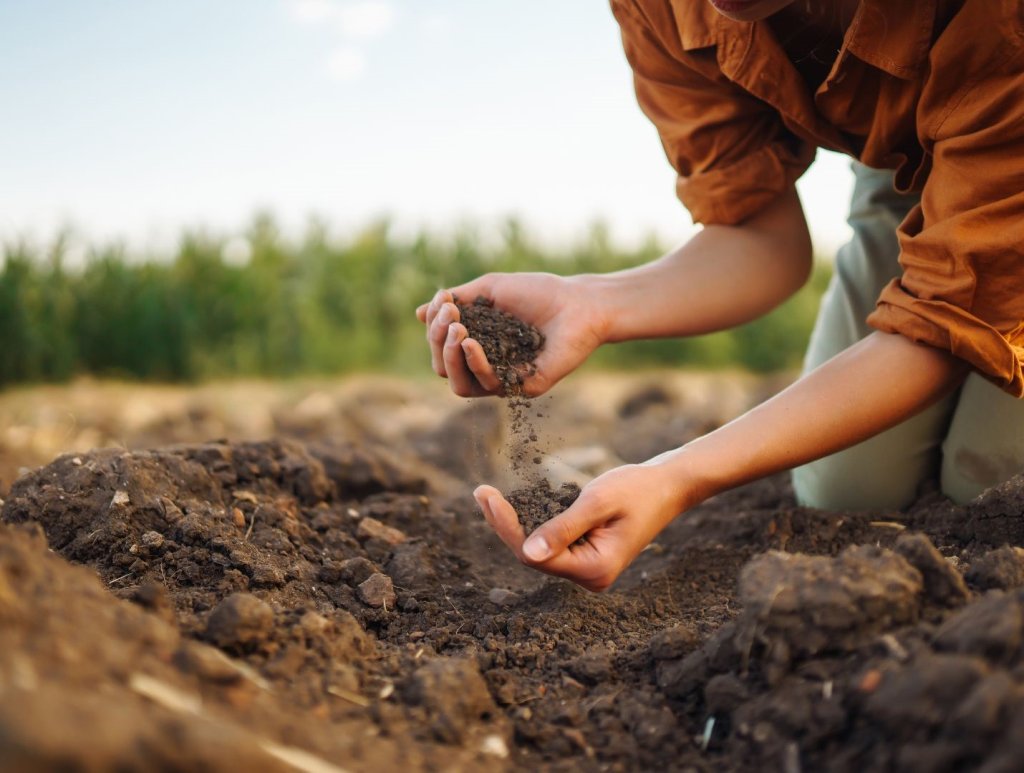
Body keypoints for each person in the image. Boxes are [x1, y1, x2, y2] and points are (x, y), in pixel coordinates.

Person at [415, 0, 1024, 592]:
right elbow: (760, 238)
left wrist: (678, 475)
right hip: (908, 168)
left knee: (992, 488)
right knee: (849, 493)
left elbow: (948, 320)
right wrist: (593, 303)